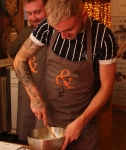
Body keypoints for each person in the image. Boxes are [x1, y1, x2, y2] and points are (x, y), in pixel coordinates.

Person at [13, 0, 117, 149]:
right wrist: (35, 97)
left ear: (83, 16)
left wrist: (81, 122)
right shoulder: (47, 27)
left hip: (83, 121)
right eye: (58, 30)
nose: (62, 36)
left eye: (68, 29)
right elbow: (20, 59)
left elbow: (107, 87)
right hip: (48, 119)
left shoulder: (103, 38)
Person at [7, 0, 47, 141]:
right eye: (29, 13)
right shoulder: (28, 32)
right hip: (30, 86)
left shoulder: (58, 30)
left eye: (37, 12)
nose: (33, 18)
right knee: (29, 127)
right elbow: (11, 53)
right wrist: (20, 74)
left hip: (48, 87)